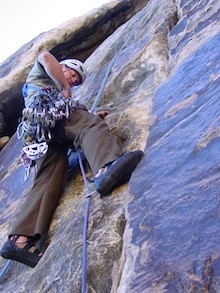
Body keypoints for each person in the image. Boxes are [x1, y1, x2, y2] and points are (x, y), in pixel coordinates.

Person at [0, 51, 143, 268]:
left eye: (76, 81)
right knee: (89, 125)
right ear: (62, 67)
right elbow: (46, 56)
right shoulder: (45, 75)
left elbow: (70, 127)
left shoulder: (50, 91)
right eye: (72, 73)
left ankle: (20, 240)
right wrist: (67, 90)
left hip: (40, 135)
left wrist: (90, 113)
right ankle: (106, 168)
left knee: (50, 179)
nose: (74, 80)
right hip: (49, 116)